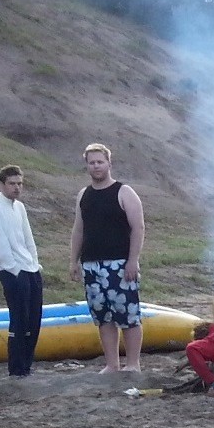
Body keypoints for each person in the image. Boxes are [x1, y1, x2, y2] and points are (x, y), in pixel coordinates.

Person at [69, 143, 146, 374]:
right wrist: (73, 261)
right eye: (91, 162)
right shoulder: (84, 195)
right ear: (87, 166)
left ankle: (133, 364)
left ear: (109, 164)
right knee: (103, 317)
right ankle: (112, 364)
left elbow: (138, 227)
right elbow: (78, 230)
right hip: (91, 264)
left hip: (120, 264)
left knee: (128, 315)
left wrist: (133, 260)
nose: (96, 166)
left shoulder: (124, 192)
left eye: (100, 161)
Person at [0, 165, 43, 377]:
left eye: (19, 183)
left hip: (30, 268)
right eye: (12, 184)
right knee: (19, 320)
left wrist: (34, 264)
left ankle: (27, 365)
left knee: (34, 319)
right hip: (13, 271)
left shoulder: (19, 207)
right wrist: (14, 270)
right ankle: (16, 368)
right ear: (2, 185)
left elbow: (28, 238)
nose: (17, 188)